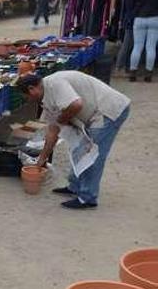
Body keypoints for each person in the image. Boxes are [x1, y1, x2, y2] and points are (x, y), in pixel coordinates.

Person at [16, 72, 131, 209]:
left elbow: (76, 105)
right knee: (78, 149)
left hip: (108, 110)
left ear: (31, 89)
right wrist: (41, 160)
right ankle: (75, 187)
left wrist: (62, 120)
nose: (28, 100)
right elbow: (52, 133)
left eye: (27, 96)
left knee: (92, 154)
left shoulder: (55, 84)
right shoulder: (46, 98)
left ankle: (87, 198)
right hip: (94, 114)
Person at [128, 0, 158, 82]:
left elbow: (131, 4)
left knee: (137, 47)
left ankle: (133, 73)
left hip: (139, 18)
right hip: (155, 19)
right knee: (151, 48)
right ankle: (148, 74)